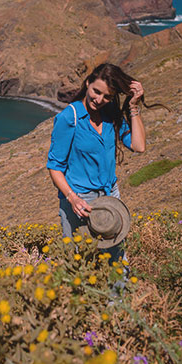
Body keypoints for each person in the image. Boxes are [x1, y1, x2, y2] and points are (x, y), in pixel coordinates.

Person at [47, 62, 146, 262]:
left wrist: (133, 106)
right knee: (81, 262)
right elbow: (54, 167)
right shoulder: (69, 117)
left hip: (110, 196)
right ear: (87, 83)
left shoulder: (111, 114)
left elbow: (138, 146)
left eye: (107, 96)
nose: (99, 100)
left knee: (116, 260)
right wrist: (73, 199)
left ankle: (119, 294)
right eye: (96, 91)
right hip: (80, 200)